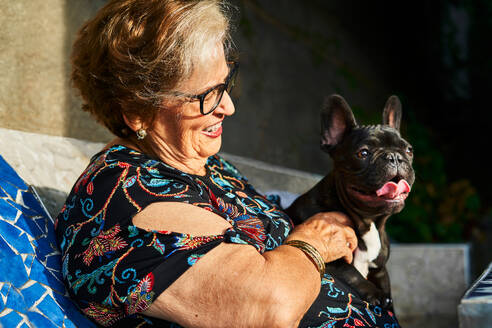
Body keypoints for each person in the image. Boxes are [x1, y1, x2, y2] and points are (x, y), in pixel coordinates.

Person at [55, 0, 401, 327]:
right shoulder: (124, 200)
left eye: (226, 83)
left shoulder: (200, 163)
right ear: (136, 112)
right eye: (206, 96)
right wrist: (312, 243)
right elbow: (269, 310)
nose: (228, 107)